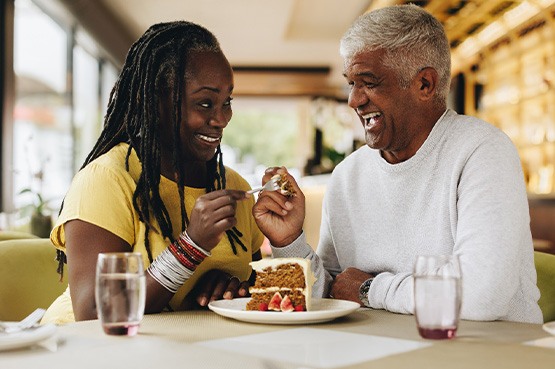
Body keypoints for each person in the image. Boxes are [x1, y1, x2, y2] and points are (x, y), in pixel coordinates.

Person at [253, 4, 543, 324]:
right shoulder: (348, 176)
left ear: (424, 85)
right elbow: (332, 292)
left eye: (369, 82)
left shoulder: (483, 151)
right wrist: (288, 242)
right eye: (351, 83)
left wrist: (370, 289)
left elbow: (480, 296)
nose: (354, 100)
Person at [42, 21, 264, 324]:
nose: (222, 118)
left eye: (226, 102)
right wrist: (191, 247)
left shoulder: (234, 186)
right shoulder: (108, 179)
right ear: (155, 101)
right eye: (205, 103)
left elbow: (258, 287)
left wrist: (233, 289)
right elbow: (94, 312)